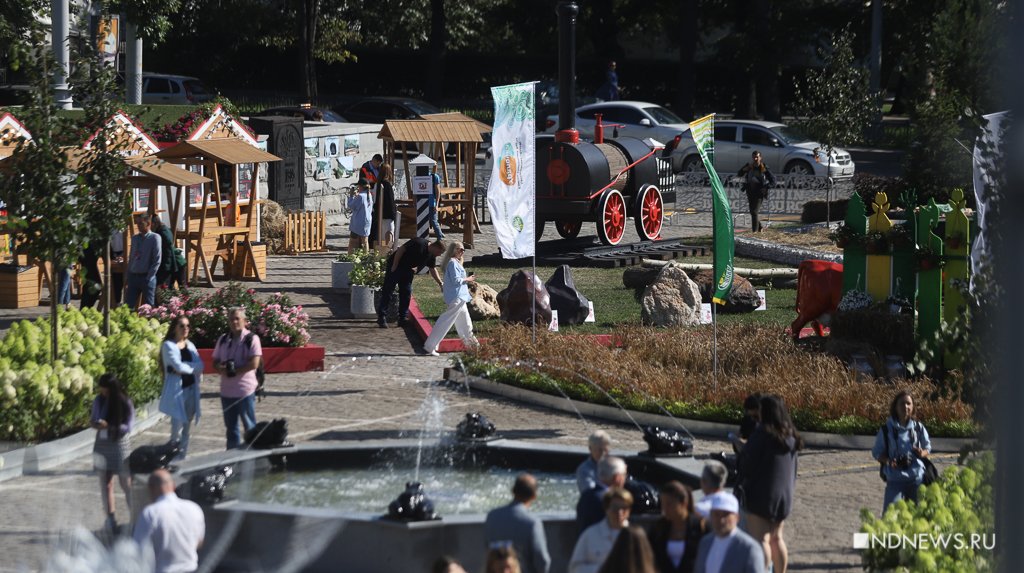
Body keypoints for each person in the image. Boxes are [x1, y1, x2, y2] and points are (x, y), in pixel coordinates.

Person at [738, 394, 802, 573]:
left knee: (762, 540)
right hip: (784, 497)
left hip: (761, 497)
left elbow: (746, 463)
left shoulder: (762, 434)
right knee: (777, 539)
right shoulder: (790, 436)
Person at [133, 469, 205, 573]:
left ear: (151, 488)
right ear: (173, 486)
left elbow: (138, 549)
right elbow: (199, 542)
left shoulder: (150, 513)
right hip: (192, 569)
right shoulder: (194, 508)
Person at [872, 390, 932, 510]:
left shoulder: (918, 428)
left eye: (908, 403)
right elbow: (877, 452)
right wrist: (889, 461)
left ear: (913, 407)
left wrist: (922, 452)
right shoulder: (886, 429)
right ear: (895, 407)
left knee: (918, 516)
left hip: (916, 478)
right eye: (902, 403)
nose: (905, 406)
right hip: (895, 479)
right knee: (890, 515)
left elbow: (928, 447)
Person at [212, 307, 263, 449]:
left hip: (244, 391)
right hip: (226, 392)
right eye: (231, 319)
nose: (234, 322)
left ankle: (253, 456)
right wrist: (220, 369)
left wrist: (235, 371)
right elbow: (214, 361)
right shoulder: (223, 339)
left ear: (245, 321)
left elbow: (254, 363)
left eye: (237, 319)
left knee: (250, 427)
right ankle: (232, 460)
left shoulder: (251, 339)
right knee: (231, 429)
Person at [90, 373, 135, 532]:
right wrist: (97, 424)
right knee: (106, 483)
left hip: (119, 443)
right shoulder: (98, 400)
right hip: (102, 443)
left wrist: (109, 426)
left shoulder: (124, 401)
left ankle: (135, 516)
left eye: (105, 388)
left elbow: (129, 426)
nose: (102, 391)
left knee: (126, 483)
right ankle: (110, 519)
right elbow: (93, 419)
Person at [484, 473, 551, 573]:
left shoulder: (492, 516)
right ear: (534, 496)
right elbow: (542, 559)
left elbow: (488, 548)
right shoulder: (532, 522)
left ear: (513, 491)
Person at [422, 241, 479, 356]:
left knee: (466, 324)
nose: (462, 252)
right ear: (453, 250)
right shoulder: (453, 263)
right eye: (460, 249)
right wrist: (468, 279)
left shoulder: (455, 263)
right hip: (457, 298)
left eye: (463, 250)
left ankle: (473, 347)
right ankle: (430, 346)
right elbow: (456, 281)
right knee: (445, 322)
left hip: (460, 298)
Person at [160, 316, 204, 459]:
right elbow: (177, 366)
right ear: (174, 328)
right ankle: (172, 457)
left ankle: (182, 456)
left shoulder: (190, 345)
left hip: (191, 389)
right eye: (182, 326)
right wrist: (192, 368)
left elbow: (201, 365)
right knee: (176, 428)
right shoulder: (168, 346)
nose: (185, 329)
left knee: (187, 427)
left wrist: (187, 368)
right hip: (178, 392)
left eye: (187, 326)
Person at [376, 237, 446, 328]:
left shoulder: (431, 255)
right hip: (396, 267)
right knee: (388, 290)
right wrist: (394, 265)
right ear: (436, 247)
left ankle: (402, 318)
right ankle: (381, 316)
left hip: (408, 270)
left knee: (406, 292)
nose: (439, 255)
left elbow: (432, 269)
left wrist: (440, 283)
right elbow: (401, 250)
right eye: (440, 252)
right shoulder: (418, 243)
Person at [693, 492, 765, 573]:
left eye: (726, 514)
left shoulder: (749, 548)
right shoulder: (705, 543)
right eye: (716, 514)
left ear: (737, 518)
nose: (721, 520)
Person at [569, 487, 633, 573]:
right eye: (615, 508)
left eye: (624, 508)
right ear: (606, 509)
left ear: (629, 511)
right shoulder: (590, 535)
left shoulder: (635, 536)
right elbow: (574, 568)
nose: (619, 513)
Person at [649, 481, 706, 573]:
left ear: (683, 503)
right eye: (663, 504)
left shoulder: (700, 526)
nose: (665, 509)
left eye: (669, 504)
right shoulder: (659, 528)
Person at [577, 456, 627, 534]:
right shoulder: (611, 501)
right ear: (617, 478)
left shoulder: (585, 496)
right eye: (624, 475)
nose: (625, 479)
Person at [125, 213, 161, 309]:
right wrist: (128, 275)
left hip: (146, 277)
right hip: (134, 276)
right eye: (137, 223)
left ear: (148, 224)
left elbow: (157, 259)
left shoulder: (155, 238)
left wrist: (149, 277)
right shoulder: (135, 238)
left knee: (149, 308)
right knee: (128, 307)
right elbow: (132, 257)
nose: (138, 226)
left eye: (141, 223)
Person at [736, 151, 776, 233]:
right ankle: (760, 227)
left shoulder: (763, 167)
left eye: (757, 157)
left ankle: (754, 232)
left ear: (760, 158)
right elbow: (739, 174)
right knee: (752, 212)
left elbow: (773, 180)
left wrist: (766, 187)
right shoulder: (749, 166)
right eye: (754, 157)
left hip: (759, 193)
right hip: (750, 192)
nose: (755, 159)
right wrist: (744, 169)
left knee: (754, 212)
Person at [151, 216, 184, 290]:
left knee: (178, 286)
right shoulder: (162, 230)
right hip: (172, 263)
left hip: (175, 263)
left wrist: (166, 267)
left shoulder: (162, 232)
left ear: (154, 223)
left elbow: (167, 250)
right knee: (170, 287)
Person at [370, 163, 398, 249]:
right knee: (389, 232)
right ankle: (388, 250)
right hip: (388, 214)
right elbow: (391, 201)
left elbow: (374, 200)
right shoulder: (388, 185)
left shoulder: (376, 185)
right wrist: (394, 215)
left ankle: (382, 251)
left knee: (381, 234)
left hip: (379, 213)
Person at [347, 183, 373, 254]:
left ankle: (350, 257)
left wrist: (351, 196)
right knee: (365, 241)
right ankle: (366, 257)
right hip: (367, 221)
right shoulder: (369, 195)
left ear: (360, 186)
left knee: (352, 241)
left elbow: (351, 206)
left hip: (358, 222)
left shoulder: (360, 196)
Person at [429, 164, 446, 240]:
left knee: (433, 220)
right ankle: (440, 235)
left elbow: (437, 191)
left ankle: (440, 236)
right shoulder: (434, 176)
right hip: (432, 202)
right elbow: (438, 191)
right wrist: (437, 204)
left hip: (430, 202)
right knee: (434, 220)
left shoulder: (432, 177)